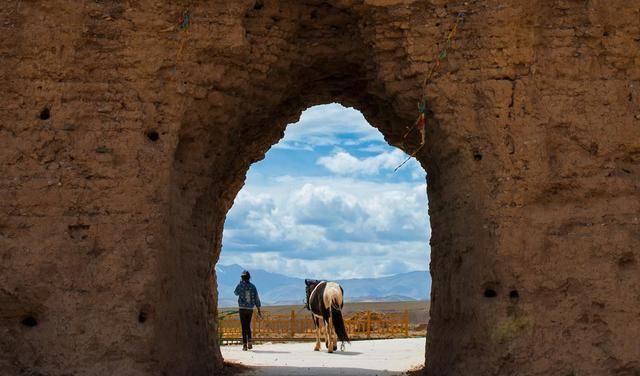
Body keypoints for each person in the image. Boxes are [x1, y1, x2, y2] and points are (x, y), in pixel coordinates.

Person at [234, 270, 262, 351]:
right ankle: (250, 342)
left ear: (242, 278)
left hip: (242, 308)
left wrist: (240, 284)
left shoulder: (240, 285)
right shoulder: (253, 287)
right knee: (248, 326)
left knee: (243, 327)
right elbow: (256, 298)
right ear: (249, 278)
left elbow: (235, 293)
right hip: (250, 309)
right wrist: (259, 309)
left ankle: (244, 345)